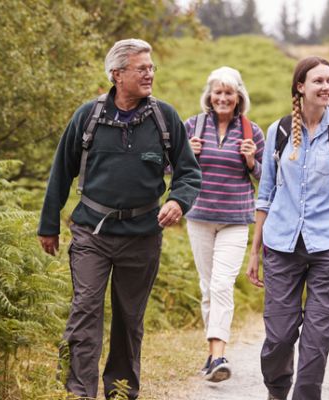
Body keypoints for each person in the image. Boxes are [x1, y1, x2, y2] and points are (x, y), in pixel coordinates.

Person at [37, 38, 201, 400]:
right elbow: (60, 173)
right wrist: (48, 225)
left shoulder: (164, 117)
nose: (150, 74)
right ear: (117, 74)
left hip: (143, 235)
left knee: (129, 319)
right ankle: (79, 391)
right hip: (91, 233)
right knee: (85, 309)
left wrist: (178, 200)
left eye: (152, 67)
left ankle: (121, 391)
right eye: (141, 68)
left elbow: (189, 173)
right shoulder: (88, 116)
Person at [246, 56, 329, 400]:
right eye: (319, 81)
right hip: (281, 247)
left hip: (327, 247)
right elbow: (265, 194)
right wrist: (255, 251)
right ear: (301, 87)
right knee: (279, 337)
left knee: (317, 339)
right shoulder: (279, 131)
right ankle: (277, 390)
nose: (326, 86)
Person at [184, 66, 265, 382]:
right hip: (199, 217)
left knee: (220, 285)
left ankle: (218, 357)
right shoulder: (193, 126)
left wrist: (251, 160)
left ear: (238, 97)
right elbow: (168, 167)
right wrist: (186, 155)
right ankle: (212, 356)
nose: (223, 98)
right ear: (209, 95)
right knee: (207, 288)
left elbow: (266, 178)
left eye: (229, 93)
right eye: (218, 92)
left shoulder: (251, 130)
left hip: (235, 219)